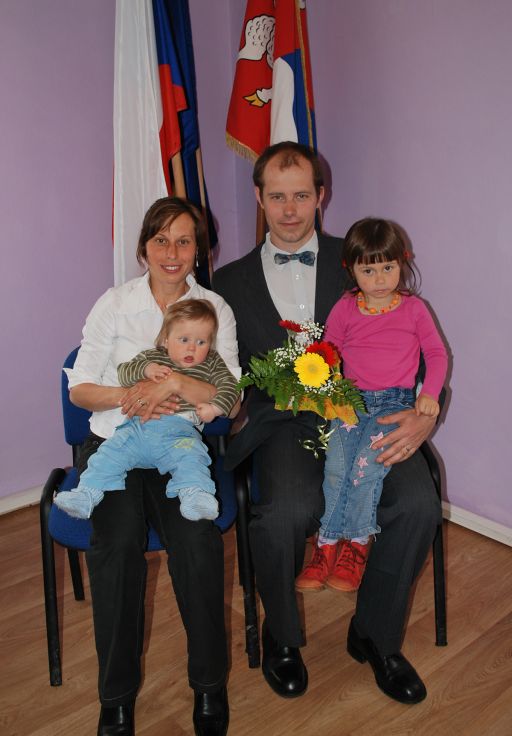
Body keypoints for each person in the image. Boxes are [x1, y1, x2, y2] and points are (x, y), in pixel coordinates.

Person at [213, 141, 441, 706]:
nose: (290, 210)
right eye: (277, 197)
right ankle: (283, 635)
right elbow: (225, 371)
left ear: (321, 195)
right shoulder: (228, 282)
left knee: (417, 504)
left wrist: (423, 418)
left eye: (301, 195)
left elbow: (419, 347)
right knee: (286, 512)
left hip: (372, 414)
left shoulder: (363, 255)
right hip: (284, 424)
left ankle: (374, 635)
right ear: (259, 199)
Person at [66, 197, 240, 736]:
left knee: (196, 542)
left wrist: (175, 387)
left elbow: (229, 396)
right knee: (116, 547)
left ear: (199, 249)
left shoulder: (214, 308)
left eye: (185, 240)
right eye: (161, 239)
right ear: (143, 247)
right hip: (117, 442)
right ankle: (115, 699)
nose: (172, 251)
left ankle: (209, 686)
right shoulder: (114, 303)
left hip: (180, 448)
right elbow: (80, 388)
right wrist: (133, 395)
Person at [295, 217, 448, 594]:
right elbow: (329, 352)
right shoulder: (345, 308)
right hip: (350, 401)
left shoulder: (414, 309)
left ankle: (357, 544)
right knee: (336, 468)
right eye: (368, 270)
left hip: (393, 405)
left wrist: (429, 393)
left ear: (402, 262)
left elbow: (436, 353)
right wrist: (323, 385)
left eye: (388, 268)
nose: (379, 279)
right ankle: (326, 545)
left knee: (366, 469)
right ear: (351, 269)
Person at [56, 299, 239, 522]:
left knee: (192, 458)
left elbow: (231, 388)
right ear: (166, 339)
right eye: (184, 340)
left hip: (179, 434)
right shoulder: (152, 357)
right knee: (107, 455)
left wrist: (215, 408)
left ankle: (195, 496)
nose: (192, 348)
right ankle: (86, 495)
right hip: (136, 429)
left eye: (201, 342)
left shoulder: (212, 362)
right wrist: (146, 369)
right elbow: (124, 372)